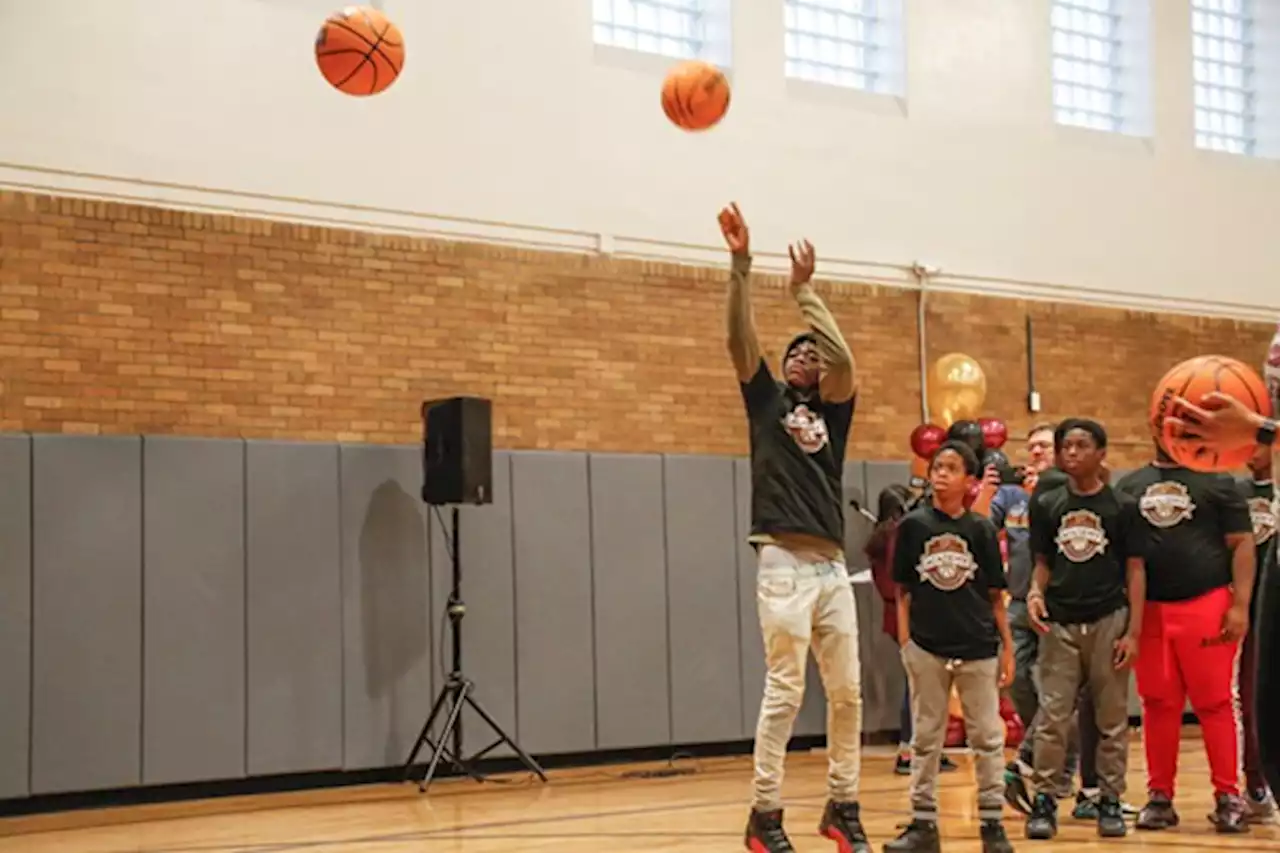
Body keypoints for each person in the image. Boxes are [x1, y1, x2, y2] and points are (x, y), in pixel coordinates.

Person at [719, 202, 868, 853]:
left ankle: (843, 804)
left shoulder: (833, 412)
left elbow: (843, 356)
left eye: (813, 351)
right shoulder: (766, 400)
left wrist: (806, 293)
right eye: (796, 350)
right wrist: (742, 265)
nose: (808, 353)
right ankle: (764, 813)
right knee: (786, 690)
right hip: (781, 558)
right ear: (783, 368)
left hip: (832, 565)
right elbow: (738, 339)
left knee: (849, 693)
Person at [1114, 443, 1256, 833]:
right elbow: (1128, 561)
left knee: (1215, 703)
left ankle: (1228, 795)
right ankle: (1159, 796)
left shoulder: (1219, 481)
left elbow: (1242, 542)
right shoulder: (1130, 485)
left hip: (1207, 604)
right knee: (1157, 704)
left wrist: (1240, 605)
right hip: (1152, 610)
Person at [886, 440, 1016, 853]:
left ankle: (992, 825)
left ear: (970, 481)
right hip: (926, 646)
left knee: (987, 738)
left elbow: (995, 595)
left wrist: (1007, 647)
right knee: (925, 738)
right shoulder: (913, 526)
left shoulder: (979, 530)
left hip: (978, 645)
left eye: (951, 468)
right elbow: (902, 590)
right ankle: (923, 824)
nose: (940, 474)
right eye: (936, 466)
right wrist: (907, 643)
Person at [1021, 419, 1146, 840]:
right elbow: (1042, 563)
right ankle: (1045, 800)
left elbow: (1136, 570)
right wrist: (1035, 594)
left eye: (1081, 445)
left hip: (1109, 618)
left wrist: (1134, 631)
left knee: (1111, 718)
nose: (1071, 453)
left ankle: (1109, 799)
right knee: (1053, 717)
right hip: (1059, 621)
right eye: (1065, 446)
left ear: (1101, 453)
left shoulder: (1122, 507)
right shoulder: (1047, 503)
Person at [867, 484, 959, 776]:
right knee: (919, 685)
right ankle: (910, 749)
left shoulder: (881, 537)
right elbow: (901, 581)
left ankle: (927, 748)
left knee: (923, 683)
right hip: (909, 615)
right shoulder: (896, 536)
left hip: (899, 616)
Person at [1238, 446, 1277, 824]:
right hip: (1250, 609)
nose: (1253, 453)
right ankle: (1255, 785)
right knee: (1252, 701)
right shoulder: (1236, 494)